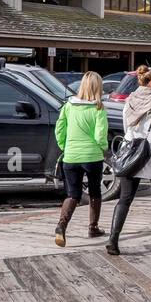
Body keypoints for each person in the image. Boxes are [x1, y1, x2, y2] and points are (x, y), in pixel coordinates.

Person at [105, 64, 151, 256]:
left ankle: (113, 239)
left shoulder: (129, 101)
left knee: (125, 198)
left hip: (132, 152)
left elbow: (126, 126)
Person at [53, 71, 109, 246]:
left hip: (71, 156)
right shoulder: (98, 107)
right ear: (98, 87)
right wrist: (103, 148)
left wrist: (65, 147)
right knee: (94, 191)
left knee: (73, 194)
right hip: (92, 156)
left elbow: (59, 130)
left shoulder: (68, 106)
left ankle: (61, 225)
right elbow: (100, 135)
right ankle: (93, 227)